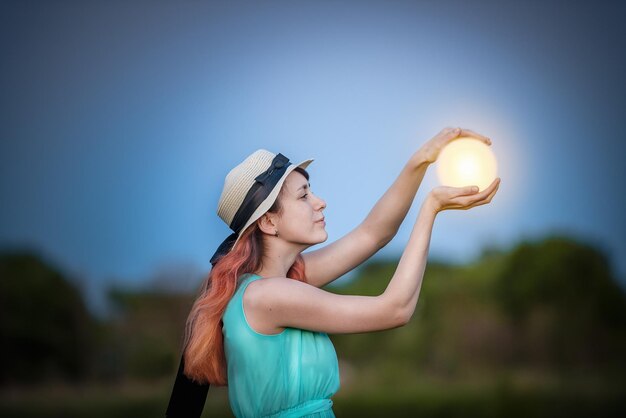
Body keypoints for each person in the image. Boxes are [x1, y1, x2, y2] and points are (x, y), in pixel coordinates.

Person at [166, 127, 501, 417]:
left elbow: (374, 234)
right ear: (269, 221)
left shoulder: (273, 285)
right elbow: (395, 309)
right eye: (304, 195)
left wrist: (420, 160)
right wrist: (430, 209)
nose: (320, 202)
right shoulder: (270, 296)